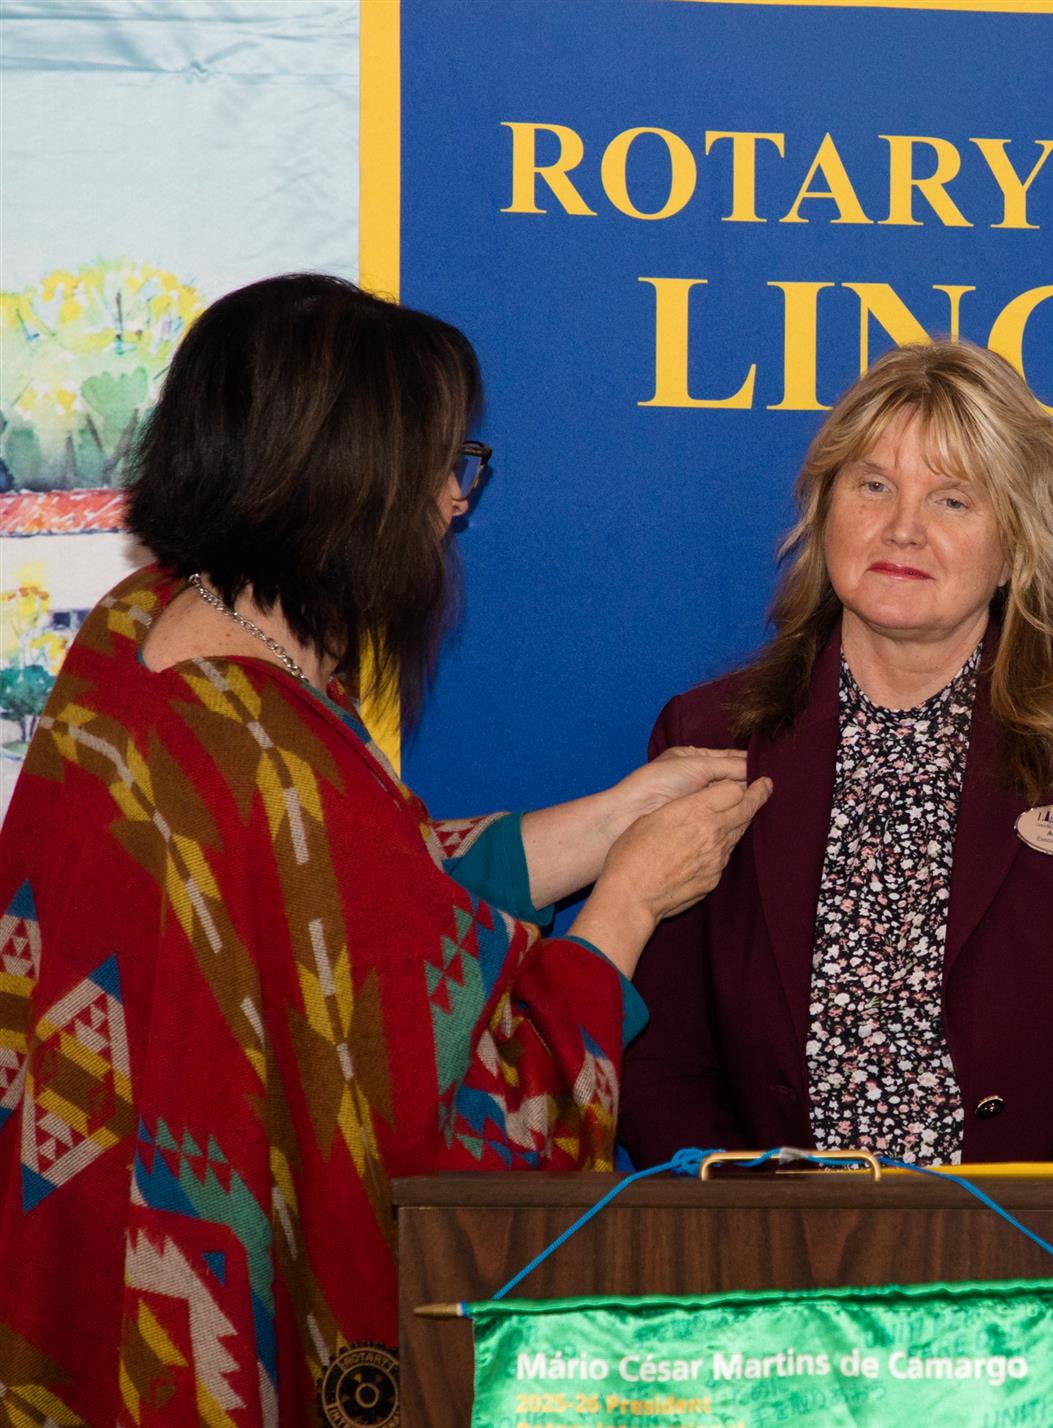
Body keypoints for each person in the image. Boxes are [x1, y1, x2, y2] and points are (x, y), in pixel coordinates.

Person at [0, 274, 770, 1423]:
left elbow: (361, 897)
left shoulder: (141, 634)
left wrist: (617, 814)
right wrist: (631, 903)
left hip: (72, 1265)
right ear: (344, 482)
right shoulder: (277, 759)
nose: (454, 503)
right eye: (439, 466)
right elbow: (482, 1136)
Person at [618, 339, 1053, 1174]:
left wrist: (1023, 1229)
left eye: (953, 500)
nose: (902, 528)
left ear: (1014, 547)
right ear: (824, 510)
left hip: (1043, 1242)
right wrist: (762, 1220)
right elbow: (659, 1059)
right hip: (767, 1239)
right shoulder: (712, 735)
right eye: (873, 486)